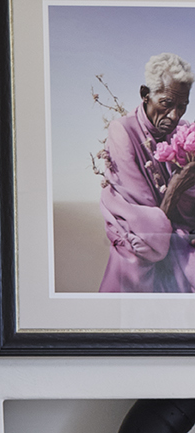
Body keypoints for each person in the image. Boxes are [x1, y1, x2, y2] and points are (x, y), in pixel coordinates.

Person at [99, 53, 195, 292]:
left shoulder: (185, 131)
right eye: (166, 103)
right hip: (145, 256)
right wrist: (175, 188)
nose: (175, 116)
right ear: (145, 94)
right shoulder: (122, 131)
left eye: (182, 106)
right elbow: (145, 229)